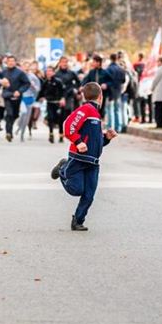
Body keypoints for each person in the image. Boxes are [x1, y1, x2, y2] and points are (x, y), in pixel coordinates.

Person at [49, 82, 117, 231]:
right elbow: (68, 126)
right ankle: (62, 168)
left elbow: (95, 141)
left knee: (89, 194)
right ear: (101, 96)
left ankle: (78, 220)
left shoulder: (96, 114)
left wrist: (107, 138)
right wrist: (78, 142)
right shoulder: (85, 109)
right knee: (76, 189)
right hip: (79, 158)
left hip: (93, 161)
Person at [0, 55, 31, 142]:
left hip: (17, 96)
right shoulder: (3, 72)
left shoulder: (20, 73)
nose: (11, 63)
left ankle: (9, 126)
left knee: (15, 115)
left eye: (13, 61)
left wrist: (20, 91)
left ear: (15, 62)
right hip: (7, 95)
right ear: (6, 62)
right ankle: (8, 132)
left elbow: (27, 83)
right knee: (9, 114)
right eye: (9, 61)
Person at [55, 56, 80, 140]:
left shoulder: (71, 73)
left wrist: (76, 89)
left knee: (67, 114)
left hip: (69, 96)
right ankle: (60, 133)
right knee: (59, 115)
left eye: (65, 62)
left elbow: (78, 83)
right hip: (59, 96)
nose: (64, 64)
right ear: (59, 63)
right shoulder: (56, 74)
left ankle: (67, 132)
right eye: (62, 62)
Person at [38, 66, 65, 143]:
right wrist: (41, 97)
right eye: (47, 71)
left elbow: (63, 91)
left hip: (58, 103)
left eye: (50, 71)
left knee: (60, 119)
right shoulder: (45, 82)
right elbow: (41, 92)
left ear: (53, 72)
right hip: (50, 103)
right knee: (50, 118)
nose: (48, 73)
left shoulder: (58, 81)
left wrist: (63, 99)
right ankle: (51, 134)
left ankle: (61, 135)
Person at [17, 60, 41, 142]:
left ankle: (22, 134)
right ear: (22, 67)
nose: (26, 68)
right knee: (23, 113)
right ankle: (19, 125)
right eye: (25, 66)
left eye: (28, 66)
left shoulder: (33, 77)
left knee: (27, 119)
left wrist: (33, 85)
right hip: (21, 98)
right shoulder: (19, 75)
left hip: (30, 98)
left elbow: (38, 89)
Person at [105, 53, 126, 132]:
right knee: (117, 109)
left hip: (110, 91)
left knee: (110, 109)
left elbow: (106, 80)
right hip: (118, 90)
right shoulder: (121, 69)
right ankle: (118, 127)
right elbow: (123, 80)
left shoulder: (108, 69)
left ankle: (110, 126)